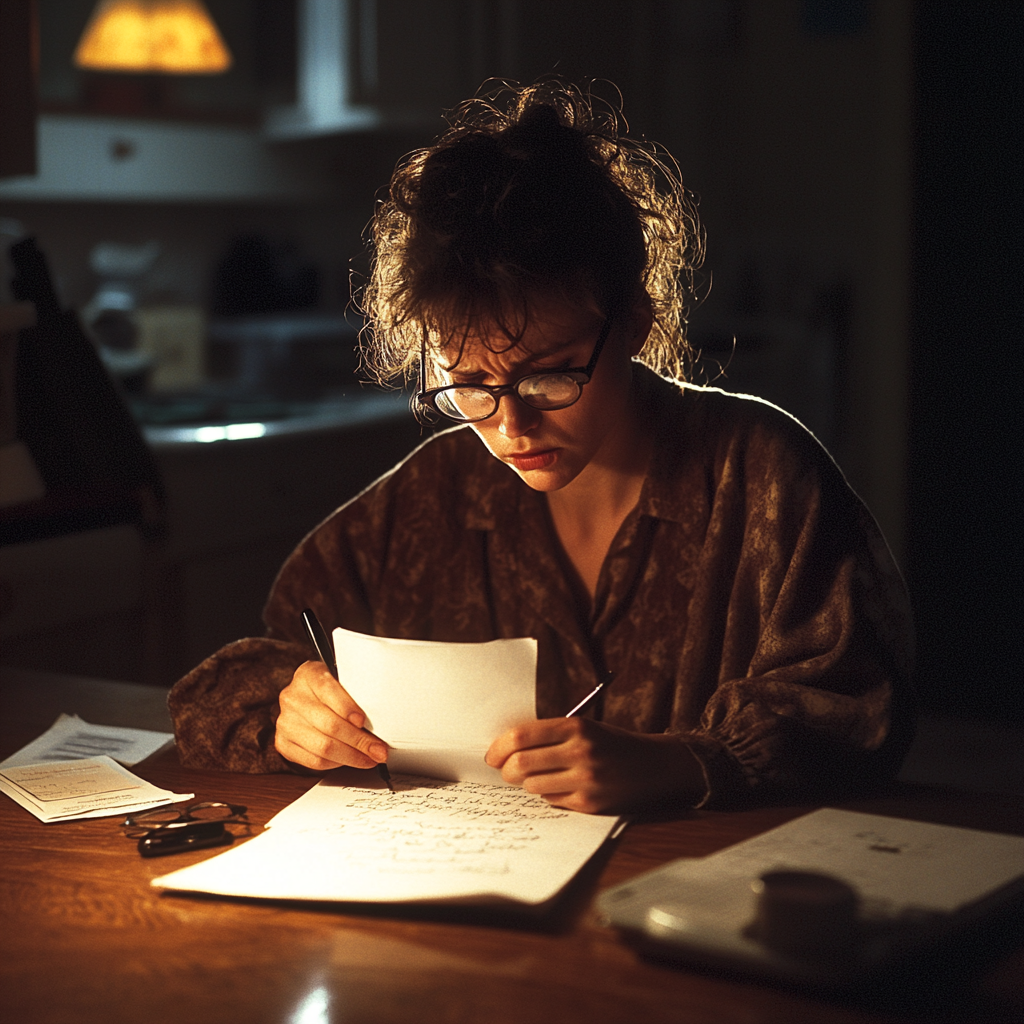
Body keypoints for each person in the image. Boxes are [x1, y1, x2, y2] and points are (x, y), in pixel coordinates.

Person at [169, 80, 914, 814]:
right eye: (470, 384)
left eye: (551, 377)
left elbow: (860, 712)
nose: (510, 428)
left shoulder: (762, 478)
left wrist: (687, 762)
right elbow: (229, 684)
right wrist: (289, 709)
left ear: (633, 322)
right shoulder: (429, 499)